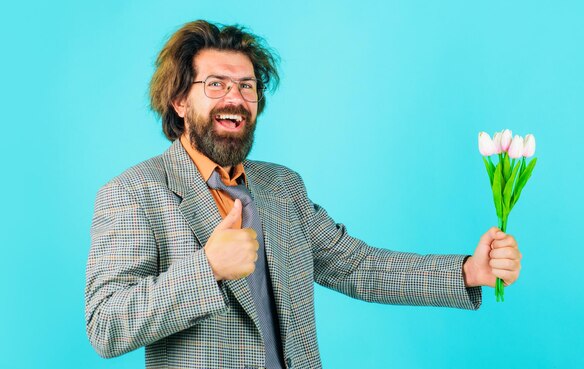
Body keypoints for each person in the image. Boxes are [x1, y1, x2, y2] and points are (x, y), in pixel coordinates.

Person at [85, 20, 522, 369]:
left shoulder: (282, 187)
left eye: (247, 86)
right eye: (215, 84)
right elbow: (106, 325)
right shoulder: (133, 193)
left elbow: (360, 267)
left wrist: (468, 271)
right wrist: (208, 269)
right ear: (180, 101)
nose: (235, 99)